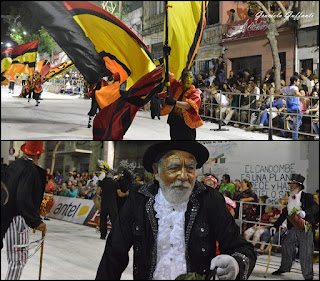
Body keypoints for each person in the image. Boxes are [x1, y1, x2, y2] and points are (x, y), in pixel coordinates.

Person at [96, 141, 256, 280]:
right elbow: (114, 254)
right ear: (156, 171)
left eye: (190, 168)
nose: (183, 176)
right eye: (174, 167)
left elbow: (241, 247)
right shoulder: (138, 199)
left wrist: (236, 264)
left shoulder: (210, 199)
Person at [1, 141, 47, 280]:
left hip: (6, 217)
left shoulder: (12, 166)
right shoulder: (30, 170)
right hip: (18, 220)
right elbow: (23, 197)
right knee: (17, 262)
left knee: (14, 260)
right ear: (37, 155)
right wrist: (35, 221)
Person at [272, 174, 319, 280]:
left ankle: (308, 276)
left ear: (299, 186)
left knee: (305, 251)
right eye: (290, 184)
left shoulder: (307, 197)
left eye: (292, 184)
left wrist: (305, 213)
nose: (290, 186)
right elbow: (285, 213)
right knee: (287, 244)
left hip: (306, 226)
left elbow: (315, 207)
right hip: (295, 226)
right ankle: (285, 267)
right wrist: (275, 226)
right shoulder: (290, 198)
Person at [161, 69, 204, 140]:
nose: (188, 79)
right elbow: (170, 76)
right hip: (174, 122)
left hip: (187, 125)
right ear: (181, 77)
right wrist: (164, 63)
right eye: (186, 76)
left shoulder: (195, 93)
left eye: (190, 77)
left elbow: (189, 105)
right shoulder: (177, 86)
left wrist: (174, 102)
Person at [276, 75, 304, 140]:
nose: (299, 83)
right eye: (298, 81)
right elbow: (296, 93)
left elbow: (277, 92)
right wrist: (302, 97)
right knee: (297, 125)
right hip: (296, 108)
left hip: (289, 108)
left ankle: (290, 126)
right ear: (294, 81)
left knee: (298, 122)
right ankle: (295, 139)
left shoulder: (286, 88)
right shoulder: (295, 87)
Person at [96, 169, 119, 240]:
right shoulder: (115, 183)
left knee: (103, 219)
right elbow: (119, 194)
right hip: (112, 204)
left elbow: (98, 192)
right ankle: (115, 235)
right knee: (114, 220)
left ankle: (103, 235)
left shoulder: (102, 182)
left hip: (104, 203)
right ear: (112, 175)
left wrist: (103, 195)